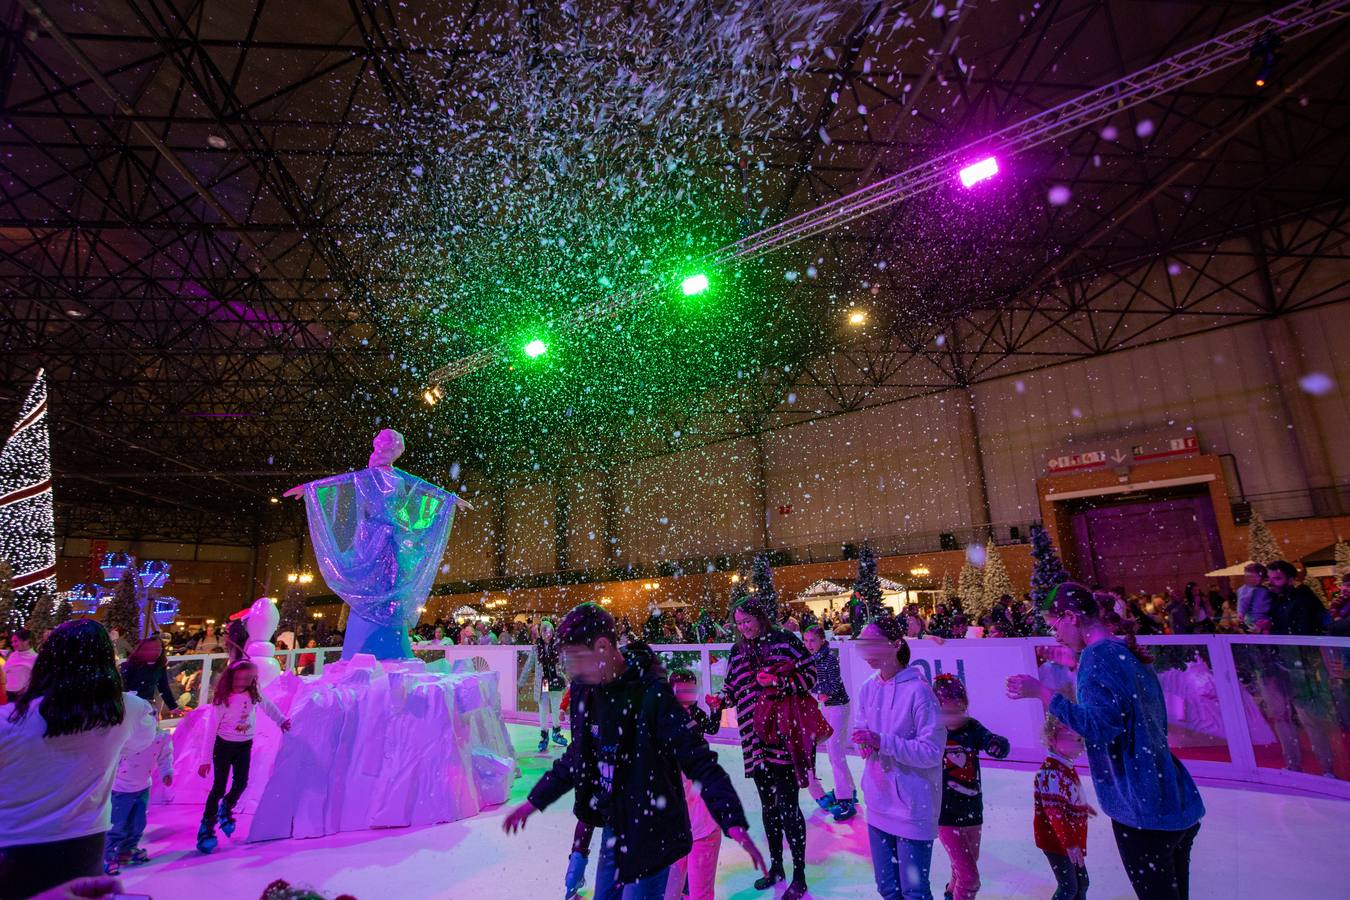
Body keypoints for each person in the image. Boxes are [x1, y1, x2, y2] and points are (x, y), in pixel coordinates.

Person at [502, 603, 765, 900]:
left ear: (602, 647)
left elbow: (699, 759)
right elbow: (578, 756)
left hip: (655, 831)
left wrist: (733, 821)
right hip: (617, 826)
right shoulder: (587, 690)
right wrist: (535, 801)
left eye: (575, 659)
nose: (570, 670)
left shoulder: (651, 694)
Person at [1007, 583, 1204, 900]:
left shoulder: (1096, 658)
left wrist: (1042, 693)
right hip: (1170, 797)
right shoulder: (1121, 652)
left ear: (1071, 617)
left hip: (1143, 808)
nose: (1055, 635)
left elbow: (1100, 726)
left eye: (1054, 625)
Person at [0, 620, 156, 898]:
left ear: (47, 661)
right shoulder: (126, 710)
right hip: (83, 843)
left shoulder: (9, 721)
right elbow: (140, 743)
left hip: (12, 843)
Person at [705, 595, 816, 898]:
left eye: (748, 621)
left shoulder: (785, 641)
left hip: (782, 738)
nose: (744, 628)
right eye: (739, 624)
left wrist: (780, 685)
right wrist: (720, 701)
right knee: (769, 808)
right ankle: (777, 865)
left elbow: (810, 675)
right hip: (755, 742)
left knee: (789, 807)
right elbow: (732, 687)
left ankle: (800, 873)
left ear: (761, 617)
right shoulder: (738, 650)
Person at [851, 615, 945, 900]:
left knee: (914, 891)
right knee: (888, 888)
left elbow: (931, 752)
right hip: (879, 803)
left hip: (913, 807)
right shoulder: (868, 687)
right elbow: (860, 730)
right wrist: (864, 745)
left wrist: (882, 741)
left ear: (895, 644)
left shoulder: (919, 692)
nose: (866, 651)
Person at [195, 659, 292, 854]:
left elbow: (269, 706)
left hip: (244, 745)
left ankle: (226, 808)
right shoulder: (223, 700)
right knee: (219, 787)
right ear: (232, 677)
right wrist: (205, 760)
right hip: (223, 746)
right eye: (241, 677)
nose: (245, 681)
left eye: (249, 678)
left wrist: (281, 721)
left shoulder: (253, 693)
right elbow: (211, 730)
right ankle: (207, 827)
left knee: (241, 783)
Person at [933, 674, 1009, 900]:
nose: (954, 717)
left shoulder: (972, 728)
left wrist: (997, 745)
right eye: (947, 712)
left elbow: (991, 739)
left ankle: (950, 892)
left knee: (966, 863)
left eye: (959, 710)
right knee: (970, 878)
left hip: (972, 810)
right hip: (945, 814)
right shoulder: (932, 732)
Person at [665, 669, 723, 900]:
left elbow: (712, 728)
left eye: (690, 689)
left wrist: (716, 710)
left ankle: (687, 886)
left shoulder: (694, 713)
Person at [802, 626, 857, 821]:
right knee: (834, 750)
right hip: (828, 706)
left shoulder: (829, 659)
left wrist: (820, 691)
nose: (809, 645)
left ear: (822, 641)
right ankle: (849, 790)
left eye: (812, 641)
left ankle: (845, 798)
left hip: (838, 706)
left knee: (835, 749)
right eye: (806, 640)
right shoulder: (812, 658)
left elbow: (834, 684)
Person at [1035, 716, 1093, 900]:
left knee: (1082, 883)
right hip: (1057, 841)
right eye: (1075, 739)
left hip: (1069, 838)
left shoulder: (1064, 766)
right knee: (1068, 888)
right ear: (1052, 739)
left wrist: (1082, 807)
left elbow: (1067, 796)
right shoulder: (1052, 772)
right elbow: (1054, 812)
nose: (1081, 744)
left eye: (1081, 739)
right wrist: (1070, 843)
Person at [104, 724, 173, 874]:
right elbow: (111, 755)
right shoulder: (126, 736)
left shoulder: (160, 737)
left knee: (138, 823)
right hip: (121, 787)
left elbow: (165, 756)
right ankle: (107, 854)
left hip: (142, 786)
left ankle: (127, 849)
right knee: (117, 824)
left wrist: (166, 772)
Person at [524, 617, 568, 753]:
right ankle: (544, 736)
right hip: (544, 681)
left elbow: (565, 663)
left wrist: (569, 677)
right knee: (543, 708)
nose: (546, 634)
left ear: (552, 632)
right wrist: (521, 682)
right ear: (540, 633)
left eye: (548, 631)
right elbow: (528, 665)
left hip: (556, 680)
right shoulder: (537, 648)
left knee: (556, 707)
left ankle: (556, 732)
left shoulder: (559, 647)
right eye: (543, 631)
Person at [119, 635, 178, 714]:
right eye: (152, 648)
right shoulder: (130, 665)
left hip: (147, 706)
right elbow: (121, 685)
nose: (157, 650)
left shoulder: (160, 667)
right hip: (129, 706)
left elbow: (164, 687)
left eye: (159, 647)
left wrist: (173, 706)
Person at [1237, 563, 1273, 631]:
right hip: (1254, 618)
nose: (1254, 579)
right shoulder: (1246, 589)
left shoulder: (1264, 589)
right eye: (1249, 577)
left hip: (1265, 617)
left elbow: (1270, 602)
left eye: (1257, 577)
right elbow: (1242, 602)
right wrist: (1241, 613)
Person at [4, 628, 37, 697]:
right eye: (12, 642)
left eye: (16, 641)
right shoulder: (13, 655)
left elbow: (37, 679)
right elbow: (5, 671)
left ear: (27, 641)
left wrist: (26, 689)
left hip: (22, 696)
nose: (13, 644)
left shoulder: (35, 658)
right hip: (6, 693)